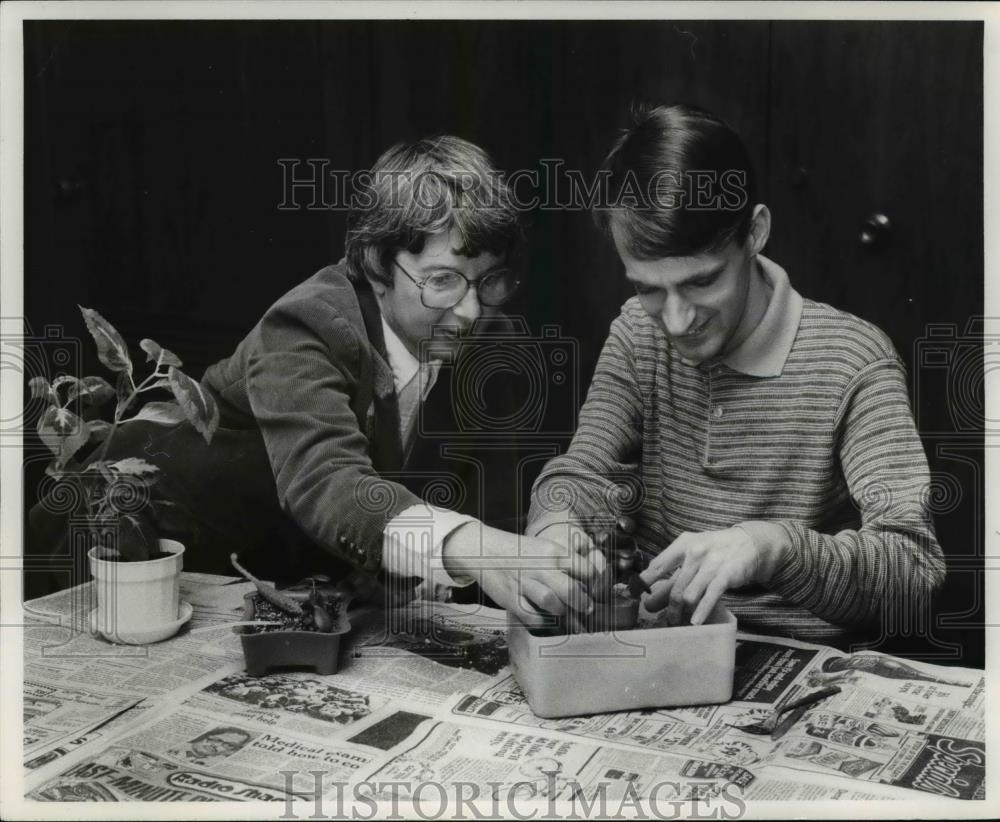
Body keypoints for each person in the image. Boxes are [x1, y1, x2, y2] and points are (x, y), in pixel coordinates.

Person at [30, 136, 600, 629]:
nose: (471, 311)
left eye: (489, 281)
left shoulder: (483, 336)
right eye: (443, 280)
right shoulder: (308, 322)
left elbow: (491, 505)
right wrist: (473, 548)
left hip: (266, 577)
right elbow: (327, 481)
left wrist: (545, 549)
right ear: (379, 263)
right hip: (126, 543)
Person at [527, 104, 944, 644]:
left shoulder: (854, 360)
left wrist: (772, 547)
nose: (675, 321)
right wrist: (557, 526)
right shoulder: (638, 332)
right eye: (648, 288)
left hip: (804, 661)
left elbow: (913, 571)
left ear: (756, 232)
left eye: (702, 282)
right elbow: (579, 476)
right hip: (665, 655)